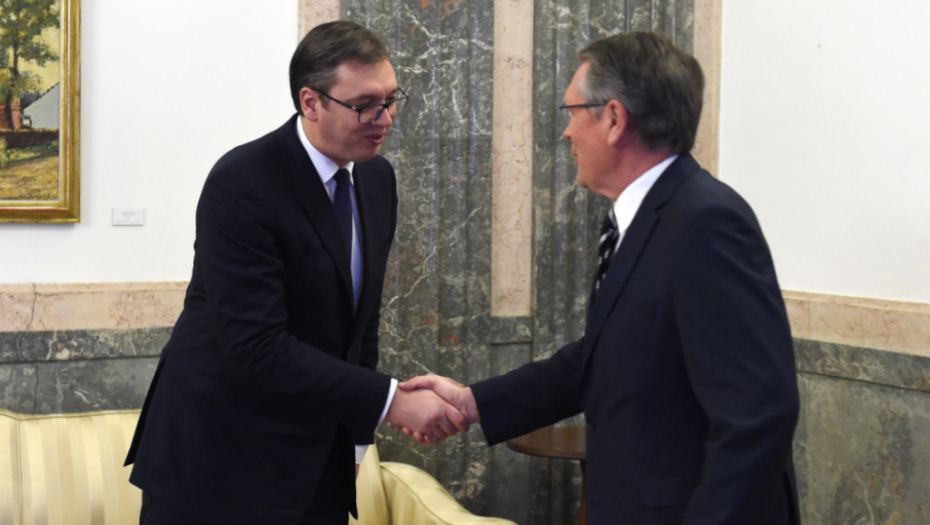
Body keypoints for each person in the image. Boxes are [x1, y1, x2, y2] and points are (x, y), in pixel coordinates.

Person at [402, 31, 802, 525]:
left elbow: (758, 414)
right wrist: (472, 402)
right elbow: (601, 357)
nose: (566, 133)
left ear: (613, 119)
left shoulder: (706, 222)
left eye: (572, 111)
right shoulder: (645, 218)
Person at [124, 21, 466, 525]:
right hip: (215, 463)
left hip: (316, 465)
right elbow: (257, 346)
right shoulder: (242, 181)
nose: (385, 118)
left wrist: (356, 440)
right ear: (311, 102)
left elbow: (360, 325)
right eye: (365, 104)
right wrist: (391, 401)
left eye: (391, 100)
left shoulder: (377, 178)